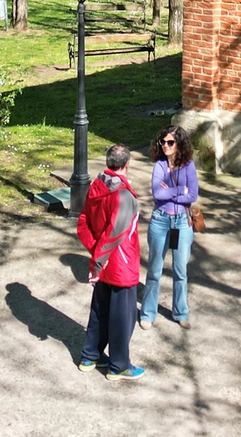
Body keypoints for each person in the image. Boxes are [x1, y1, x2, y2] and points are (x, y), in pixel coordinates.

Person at [76, 144, 145, 380]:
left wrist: (94, 253)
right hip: (119, 263)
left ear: (108, 163)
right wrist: (99, 262)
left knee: (99, 310)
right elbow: (114, 233)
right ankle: (119, 365)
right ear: (127, 164)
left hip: (102, 259)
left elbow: (83, 222)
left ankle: (90, 355)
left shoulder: (96, 186)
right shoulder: (123, 195)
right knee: (123, 316)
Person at [140, 125, 198, 329]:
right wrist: (180, 189)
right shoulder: (159, 166)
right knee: (154, 269)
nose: (165, 146)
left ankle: (181, 312)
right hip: (160, 220)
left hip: (182, 222)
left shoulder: (189, 166)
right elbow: (157, 194)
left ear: (179, 144)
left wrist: (171, 191)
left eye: (170, 142)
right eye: (163, 142)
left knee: (180, 270)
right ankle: (147, 313)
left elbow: (193, 195)